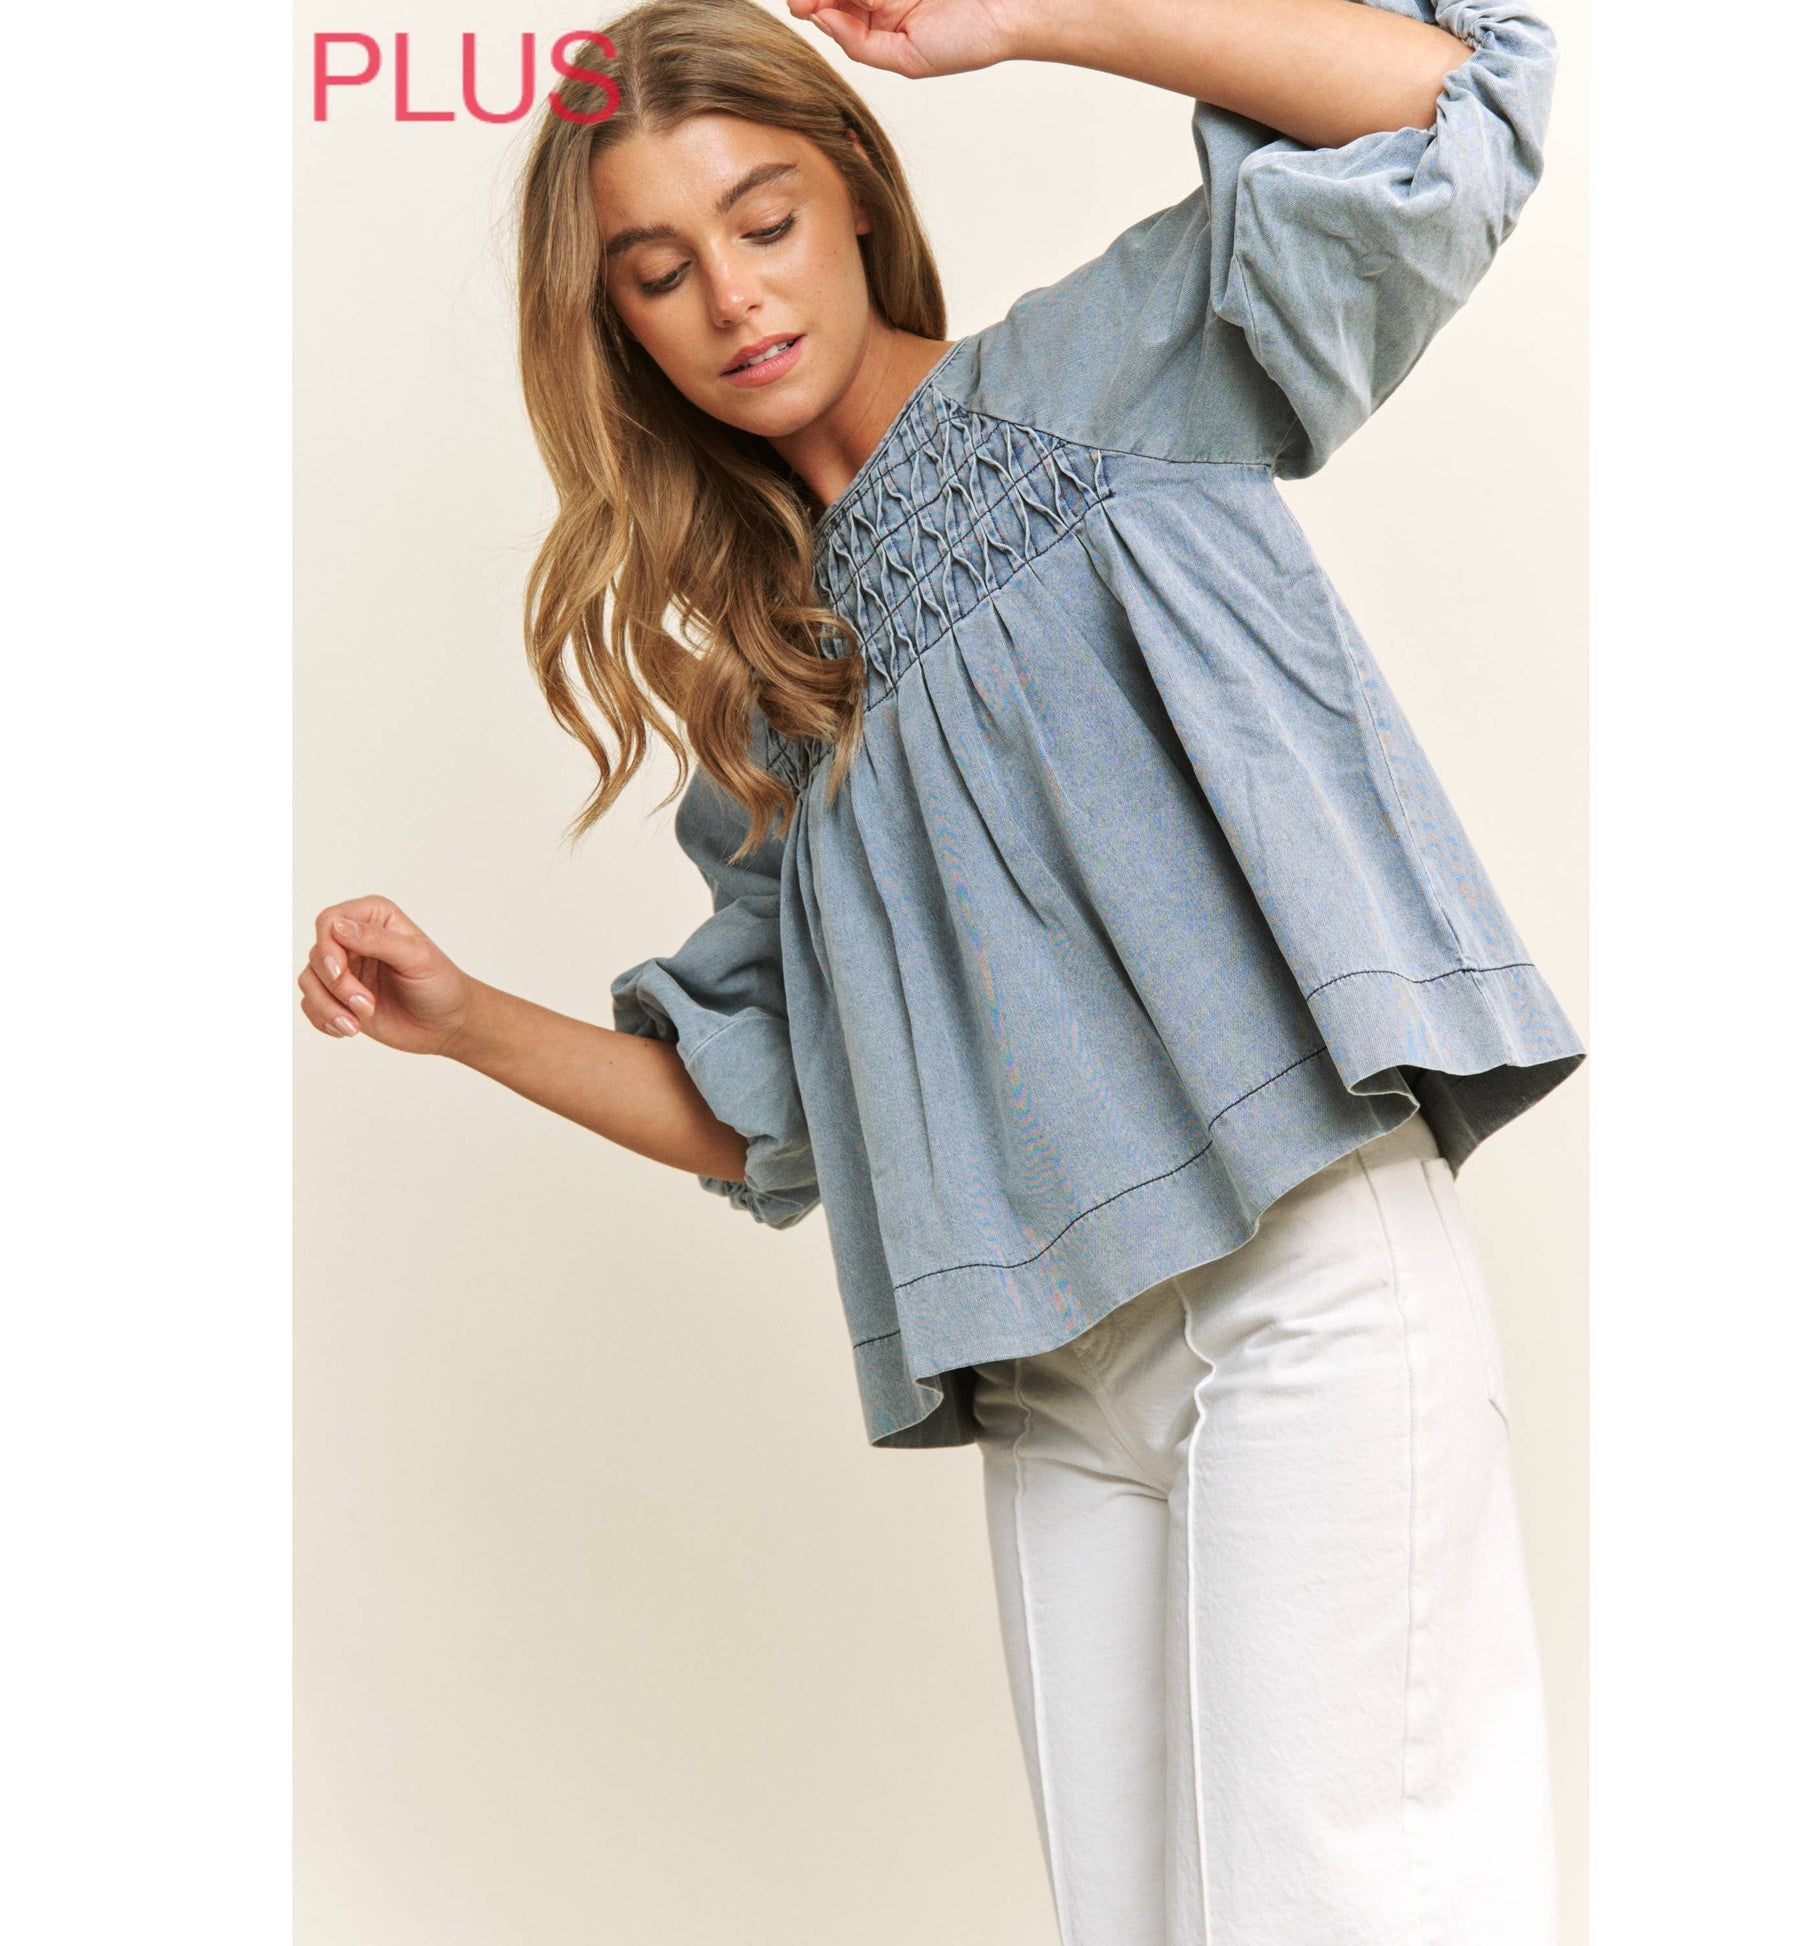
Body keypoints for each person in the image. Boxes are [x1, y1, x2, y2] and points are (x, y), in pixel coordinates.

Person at [297, 0, 1581, 1936]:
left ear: (851, 192)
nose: (733, 296)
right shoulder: (774, 697)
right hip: (1060, 1391)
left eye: (762, 219)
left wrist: (1034, 17)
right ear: (616, 326)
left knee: (1354, 1899)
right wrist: (468, 1023)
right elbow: (764, 1113)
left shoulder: (1098, 377)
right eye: (660, 269)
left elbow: (1448, 104)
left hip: (1300, 1284)